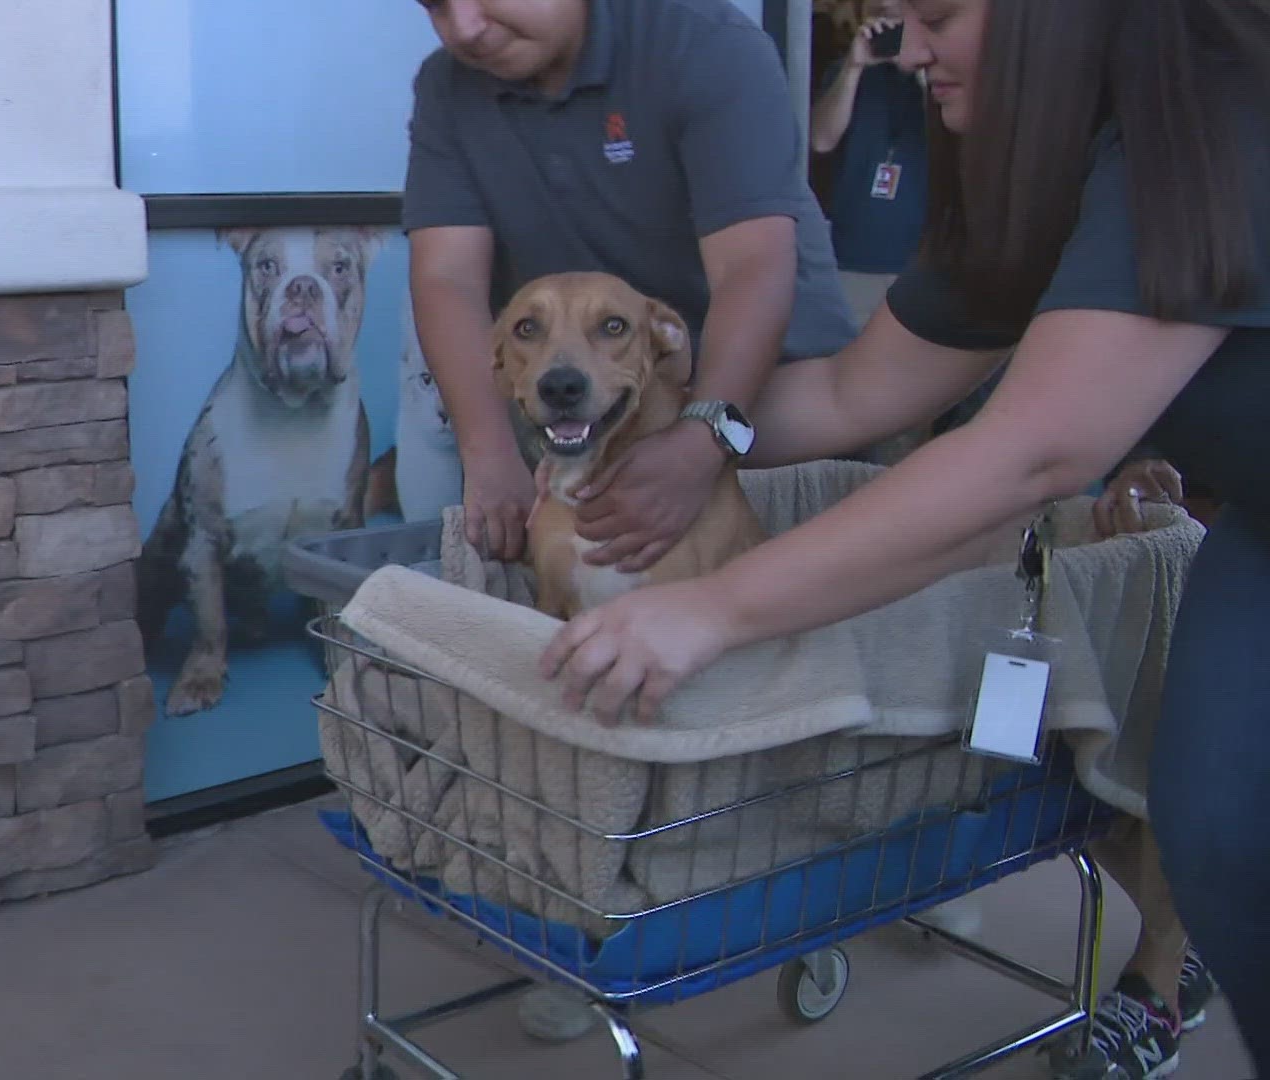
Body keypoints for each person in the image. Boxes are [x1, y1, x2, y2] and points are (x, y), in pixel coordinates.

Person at [537, 1, 1269, 1076]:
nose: (907, 49)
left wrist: (710, 609)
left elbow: (1032, 455)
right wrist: (683, 433)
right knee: (1217, 823)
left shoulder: (1217, 110)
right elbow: (849, 390)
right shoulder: (1042, 176)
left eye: (936, 13)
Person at [403, 0, 859, 579]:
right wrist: (488, 452)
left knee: (785, 640)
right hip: (588, 434)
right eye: (436, 6)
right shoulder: (448, 85)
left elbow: (751, 269)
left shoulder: (705, 45)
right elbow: (448, 279)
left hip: (766, 417)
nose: (463, 27)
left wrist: (701, 440)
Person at [809, 0, 933, 330]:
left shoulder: (941, 76)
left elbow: (953, 143)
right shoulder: (850, 70)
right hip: (852, 258)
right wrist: (853, 68)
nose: (886, 5)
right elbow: (821, 140)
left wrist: (923, 72)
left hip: (920, 263)